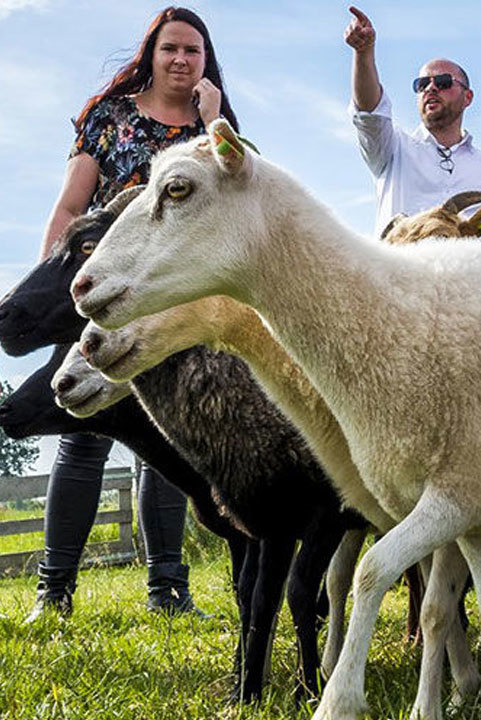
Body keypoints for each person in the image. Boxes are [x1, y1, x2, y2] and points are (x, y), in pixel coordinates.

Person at [28, 6, 241, 622]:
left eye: (193, 52)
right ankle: (54, 587)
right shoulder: (109, 117)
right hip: (98, 291)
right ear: (151, 53)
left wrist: (212, 120)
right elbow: (70, 207)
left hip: (170, 303)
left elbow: (233, 205)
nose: (181, 60)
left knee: (166, 445)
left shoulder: (211, 126)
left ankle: (168, 588)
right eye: (171, 48)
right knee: (83, 439)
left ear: (206, 63)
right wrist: (57, 292)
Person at [344, 6, 481, 244]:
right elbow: (370, 114)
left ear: (467, 97)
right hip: (402, 275)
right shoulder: (392, 150)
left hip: (470, 277)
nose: (431, 88)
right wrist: (364, 53)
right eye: (422, 84)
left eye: (442, 81)